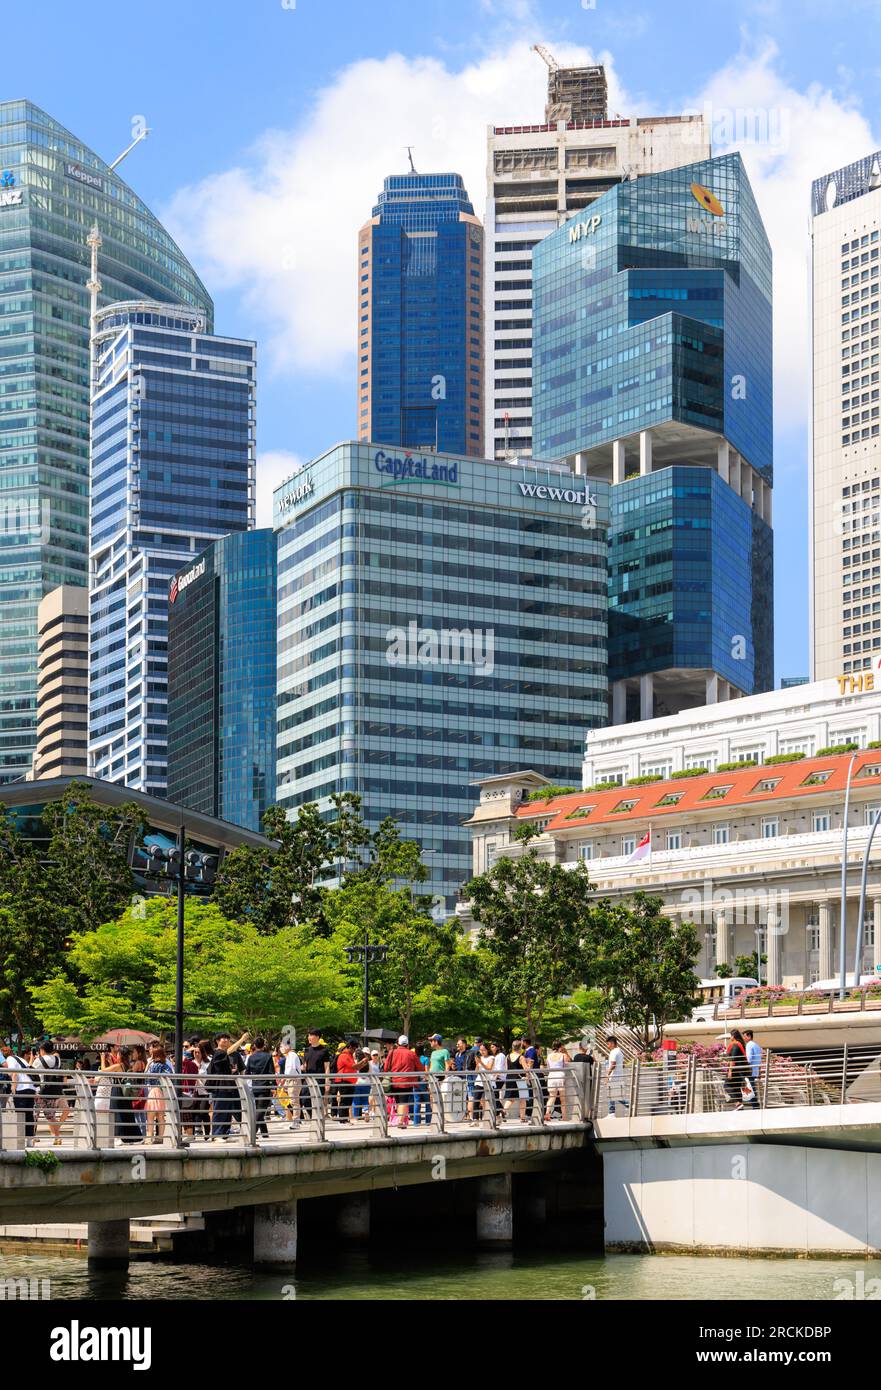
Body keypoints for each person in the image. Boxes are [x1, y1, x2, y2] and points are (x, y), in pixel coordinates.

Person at [207, 1032, 248, 1139]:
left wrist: (232, 1070)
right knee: (220, 1110)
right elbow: (228, 1051)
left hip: (228, 1085)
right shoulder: (218, 1052)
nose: (225, 1040)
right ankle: (217, 1135)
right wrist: (242, 1039)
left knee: (227, 1111)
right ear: (217, 1041)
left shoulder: (223, 1053)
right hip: (220, 1086)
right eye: (222, 1038)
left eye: (227, 1038)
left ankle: (225, 1134)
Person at [33, 1039, 68, 1145]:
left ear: (42, 1049)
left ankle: (32, 1137)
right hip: (54, 1091)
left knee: (35, 1115)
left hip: (41, 1091)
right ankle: (57, 1138)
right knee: (51, 1116)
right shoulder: (57, 1059)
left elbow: (30, 1071)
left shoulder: (39, 1060)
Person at [383, 1033, 421, 1128]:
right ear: (407, 1045)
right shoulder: (411, 1053)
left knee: (399, 1102)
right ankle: (400, 1122)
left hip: (394, 1081)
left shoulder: (392, 1052)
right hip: (406, 1082)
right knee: (403, 1102)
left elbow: (386, 1067)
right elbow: (420, 1068)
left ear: (398, 1044)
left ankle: (400, 1120)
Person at [2, 1042, 37, 1145]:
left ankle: (20, 1139)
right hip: (31, 1088)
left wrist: (13, 1087)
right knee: (29, 1114)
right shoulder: (20, 1059)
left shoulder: (9, 1059)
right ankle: (30, 1140)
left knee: (20, 1114)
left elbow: (14, 1073)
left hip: (21, 1088)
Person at [244, 1035, 276, 1137]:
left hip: (255, 1085)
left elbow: (247, 1072)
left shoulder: (251, 1057)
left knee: (259, 1108)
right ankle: (252, 1131)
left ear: (254, 1045)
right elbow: (271, 1072)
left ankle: (264, 1133)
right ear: (263, 1045)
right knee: (261, 1110)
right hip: (265, 1085)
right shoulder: (268, 1056)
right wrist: (273, 1086)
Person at [144, 1044, 174, 1144]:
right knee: (161, 1116)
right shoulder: (165, 1066)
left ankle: (149, 1138)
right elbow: (170, 1076)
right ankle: (161, 1137)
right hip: (162, 1092)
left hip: (153, 1091)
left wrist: (148, 1065)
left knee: (150, 1116)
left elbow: (146, 1077)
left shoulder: (153, 1065)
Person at [301, 1028, 331, 1121]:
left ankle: (318, 1118)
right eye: (308, 1035)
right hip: (308, 1078)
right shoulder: (307, 1050)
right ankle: (313, 1115)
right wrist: (302, 1067)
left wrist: (327, 1081)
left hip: (319, 1078)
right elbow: (305, 1065)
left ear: (317, 1037)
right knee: (304, 1098)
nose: (309, 1037)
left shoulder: (324, 1050)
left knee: (318, 1100)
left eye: (311, 1035)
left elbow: (327, 1067)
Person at [545, 1040, 572, 1121]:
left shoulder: (549, 1056)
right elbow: (568, 1063)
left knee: (551, 1097)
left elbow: (548, 1067)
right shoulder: (563, 1055)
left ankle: (547, 1113)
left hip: (551, 1076)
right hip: (560, 1076)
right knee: (562, 1099)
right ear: (560, 1046)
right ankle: (564, 1117)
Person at [503, 1039, 529, 1123]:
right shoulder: (521, 1057)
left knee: (510, 1098)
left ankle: (502, 1112)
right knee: (523, 1099)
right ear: (520, 1047)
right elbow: (526, 1069)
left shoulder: (507, 1056)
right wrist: (529, 1065)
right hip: (520, 1079)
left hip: (509, 1078)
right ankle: (522, 1117)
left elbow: (506, 1069)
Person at [724, 1029, 750, 1109]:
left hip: (735, 1070)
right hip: (740, 1071)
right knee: (736, 1087)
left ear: (734, 1036)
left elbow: (733, 1059)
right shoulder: (740, 1044)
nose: (730, 1037)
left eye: (731, 1035)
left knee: (726, 1085)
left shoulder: (735, 1045)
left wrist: (730, 1071)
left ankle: (737, 1102)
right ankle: (740, 1106)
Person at [333, 1040, 358, 1124]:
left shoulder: (349, 1055)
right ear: (350, 1047)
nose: (354, 1051)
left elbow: (355, 1067)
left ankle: (345, 1119)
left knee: (348, 1100)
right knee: (344, 1100)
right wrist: (362, 1062)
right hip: (344, 1080)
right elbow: (353, 1066)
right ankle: (343, 1119)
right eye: (354, 1049)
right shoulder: (344, 1055)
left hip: (349, 1080)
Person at [281, 1041, 303, 1129]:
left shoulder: (292, 1055)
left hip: (293, 1080)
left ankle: (296, 1121)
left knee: (294, 1102)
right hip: (290, 1080)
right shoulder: (290, 1055)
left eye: (282, 1046)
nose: (281, 1048)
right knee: (292, 1101)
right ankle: (295, 1120)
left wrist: (285, 1079)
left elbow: (291, 1069)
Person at [606, 1035, 628, 1117]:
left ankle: (630, 1105)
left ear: (612, 1043)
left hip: (614, 1077)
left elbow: (613, 1064)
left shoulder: (613, 1052)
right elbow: (622, 1065)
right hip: (619, 1077)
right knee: (613, 1095)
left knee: (614, 1095)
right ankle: (611, 1113)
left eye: (608, 1044)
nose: (607, 1046)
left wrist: (607, 1075)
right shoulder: (620, 1052)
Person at [744, 1030, 762, 1108]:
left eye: (745, 1036)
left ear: (749, 1036)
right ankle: (755, 1105)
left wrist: (743, 1066)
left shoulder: (749, 1045)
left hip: (750, 1070)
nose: (744, 1038)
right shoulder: (756, 1045)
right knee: (751, 1087)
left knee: (750, 1088)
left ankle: (755, 1106)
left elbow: (749, 1059)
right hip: (755, 1070)